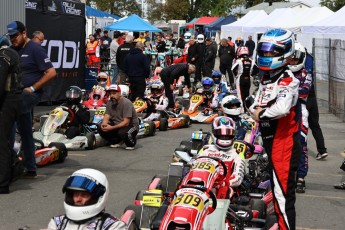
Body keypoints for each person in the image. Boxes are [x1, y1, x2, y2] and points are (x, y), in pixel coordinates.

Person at [248, 28, 301, 230]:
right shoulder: (267, 77)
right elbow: (254, 104)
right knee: (275, 192)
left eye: (272, 52)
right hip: (270, 142)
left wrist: (260, 113)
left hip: (284, 145)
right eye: (265, 51)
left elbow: (282, 108)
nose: (267, 55)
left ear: (285, 52)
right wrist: (257, 110)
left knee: (282, 196)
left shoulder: (288, 80)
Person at [8, 21, 56, 178]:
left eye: (15, 36)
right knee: (25, 129)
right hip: (14, 94)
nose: (13, 39)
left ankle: (10, 161)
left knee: (8, 120)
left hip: (29, 94)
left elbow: (51, 73)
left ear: (24, 33)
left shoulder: (35, 49)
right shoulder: (10, 50)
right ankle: (30, 167)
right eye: (10, 36)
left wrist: (33, 88)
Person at [47, 168, 127, 229]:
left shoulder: (113, 226)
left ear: (99, 197)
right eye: (76, 194)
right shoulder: (57, 223)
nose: (78, 199)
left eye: (84, 195)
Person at [198, 116, 245, 197]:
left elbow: (238, 177)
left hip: (224, 188)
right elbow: (194, 168)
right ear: (214, 133)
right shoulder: (205, 150)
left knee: (225, 191)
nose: (225, 137)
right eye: (221, 134)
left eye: (228, 134)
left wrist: (225, 183)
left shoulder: (236, 154)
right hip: (203, 184)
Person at [288, 42, 312, 194]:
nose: (293, 61)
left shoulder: (305, 74)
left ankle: (301, 178)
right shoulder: (282, 72)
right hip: (283, 111)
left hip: (299, 110)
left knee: (301, 143)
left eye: (296, 59)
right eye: (291, 58)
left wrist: (288, 91)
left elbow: (304, 91)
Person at [0, 36, 22, 194]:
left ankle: (2, 183)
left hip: (6, 102)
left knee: (1, 143)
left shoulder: (4, 56)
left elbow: (1, 82)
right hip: (11, 101)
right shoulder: (12, 53)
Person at [98, 84, 139, 150]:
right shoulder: (109, 102)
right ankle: (116, 141)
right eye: (110, 94)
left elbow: (126, 122)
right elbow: (107, 115)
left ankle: (131, 142)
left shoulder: (126, 103)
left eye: (114, 93)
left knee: (124, 134)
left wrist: (111, 128)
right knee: (100, 126)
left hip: (131, 125)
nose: (111, 96)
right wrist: (104, 124)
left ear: (120, 93)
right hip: (117, 124)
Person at [232, 46, 259, 112]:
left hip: (240, 78)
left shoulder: (239, 61)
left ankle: (241, 110)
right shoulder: (251, 61)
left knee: (240, 95)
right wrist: (251, 74)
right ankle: (247, 109)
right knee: (247, 94)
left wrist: (236, 75)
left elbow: (233, 69)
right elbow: (257, 69)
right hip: (248, 79)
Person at [307, 80, 328, 160]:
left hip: (304, 99)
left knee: (301, 126)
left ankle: (301, 149)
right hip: (312, 98)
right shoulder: (309, 72)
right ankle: (322, 150)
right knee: (315, 126)